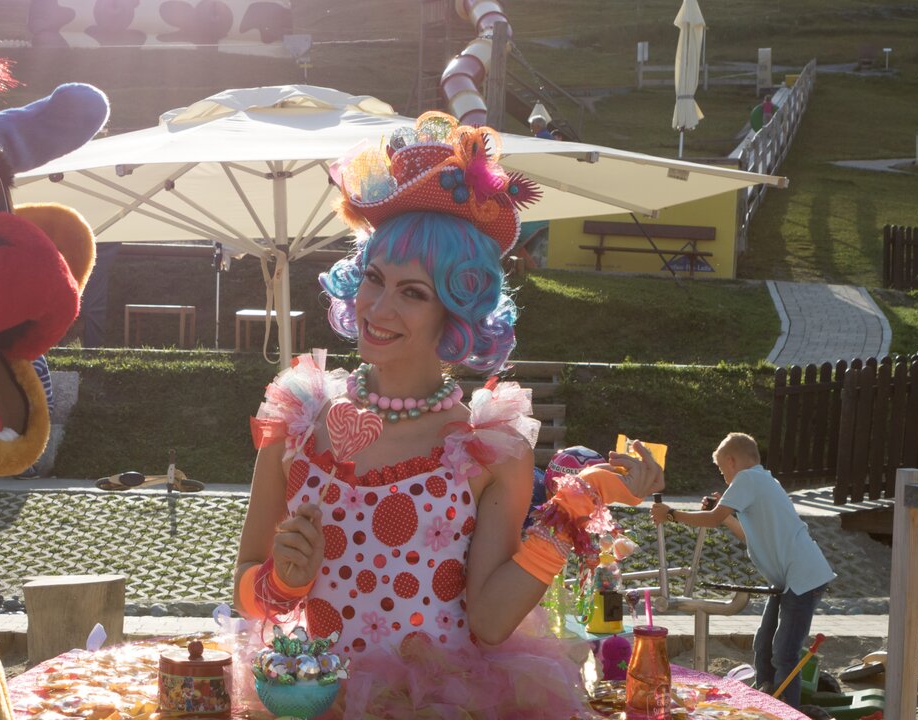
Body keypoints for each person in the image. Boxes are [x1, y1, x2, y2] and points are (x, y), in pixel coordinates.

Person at [236, 113, 664, 718]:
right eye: (375, 280)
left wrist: (578, 505)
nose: (379, 308)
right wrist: (283, 582)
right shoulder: (297, 422)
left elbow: (489, 624)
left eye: (413, 292)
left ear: (456, 313)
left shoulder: (489, 449)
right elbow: (247, 587)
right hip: (313, 696)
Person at [649, 432, 834, 708]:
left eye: (723, 470)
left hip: (803, 577)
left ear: (732, 461)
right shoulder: (762, 480)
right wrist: (724, 516)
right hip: (789, 579)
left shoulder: (747, 478)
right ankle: (767, 699)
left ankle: (788, 711)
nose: (724, 477)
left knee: (784, 653)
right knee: (763, 646)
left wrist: (672, 514)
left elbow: (711, 519)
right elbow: (746, 534)